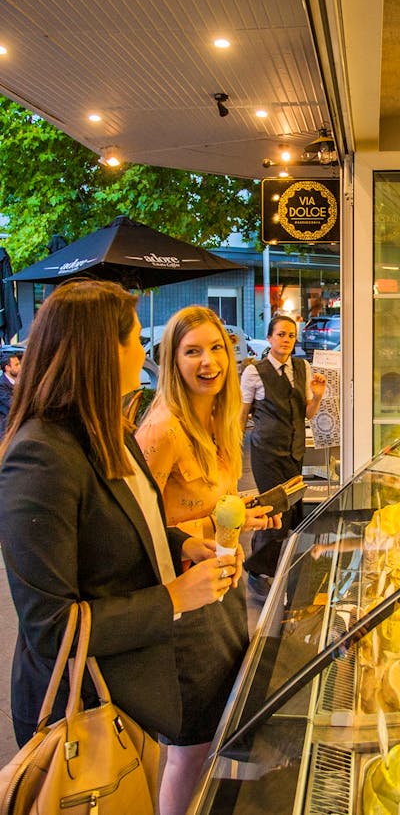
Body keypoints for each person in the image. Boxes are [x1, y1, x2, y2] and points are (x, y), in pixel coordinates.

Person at [0, 280, 242, 755]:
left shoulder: (110, 430)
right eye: (135, 339)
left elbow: (127, 527)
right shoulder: (40, 455)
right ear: (103, 351)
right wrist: (173, 597)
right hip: (78, 709)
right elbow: (51, 627)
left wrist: (183, 545)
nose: (144, 353)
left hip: (129, 689)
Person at [136, 305, 281, 815]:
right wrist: (189, 542)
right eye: (192, 351)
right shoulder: (163, 429)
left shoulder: (221, 421)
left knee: (217, 726)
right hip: (186, 605)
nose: (208, 362)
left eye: (216, 348)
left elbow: (215, 510)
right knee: (190, 745)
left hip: (225, 589)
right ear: (170, 361)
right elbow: (132, 523)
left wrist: (246, 517)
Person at [240, 314, 326, 600]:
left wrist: (316, 397)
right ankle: (258, 570)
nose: (286, 340)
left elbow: (306, 414)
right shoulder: (254, 372)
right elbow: (242, 415)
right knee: (274, 509)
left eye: (291, 335)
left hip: (293, 450)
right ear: (269, 338)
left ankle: (274, 566)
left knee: (290, 508)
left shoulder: (302, 367)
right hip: (266, 451)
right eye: (281, 335)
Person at [0, 350, 22, 439]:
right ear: (7, 368)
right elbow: (13, 404)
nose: (20, 367)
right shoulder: (1, 385)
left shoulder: (21, 380)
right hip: (7, 427)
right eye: (16, 365)